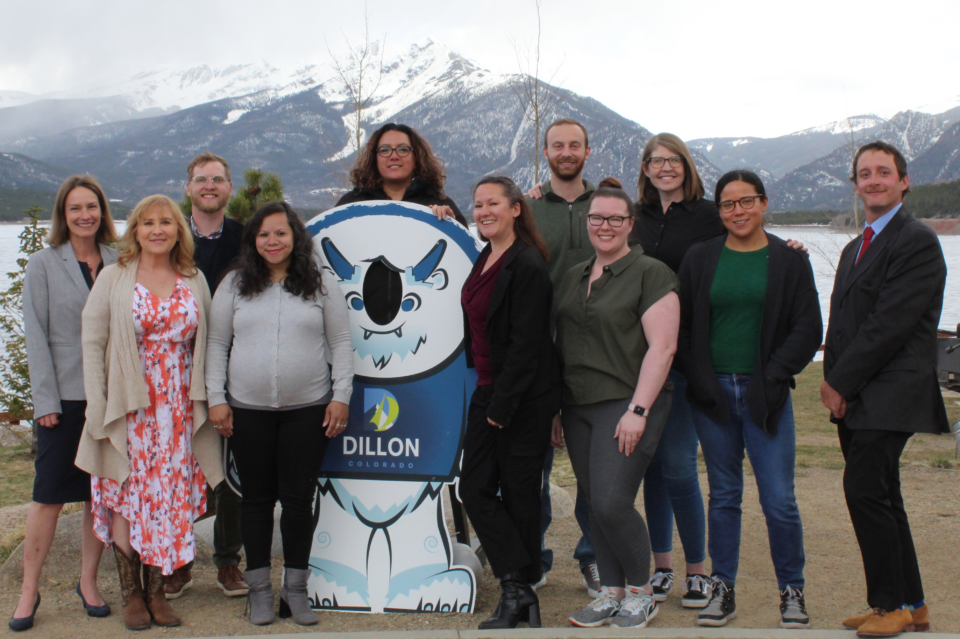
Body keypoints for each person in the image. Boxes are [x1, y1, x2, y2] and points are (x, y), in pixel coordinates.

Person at [677, 170, 822, 629]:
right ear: (718, 211)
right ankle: (722, 588)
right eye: (727, 204)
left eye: (746, 201)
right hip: (713, 394)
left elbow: (807, 329)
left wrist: (774, 376)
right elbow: (683, 327)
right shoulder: (700, 259)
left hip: (767, 395)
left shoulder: (789, 260)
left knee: (779, 499)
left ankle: (792, 590)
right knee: (723, 495)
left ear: (763, 203)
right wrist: (701, 381)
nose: (737, 211)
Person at [76, 194, 225, 630]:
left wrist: (211, 397)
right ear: (135, 231)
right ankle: (131, 596)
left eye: (166, 222)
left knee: (169, 496)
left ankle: (158, 591)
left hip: (179, 406)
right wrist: (97, 406)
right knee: (129, 493)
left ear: (178, 230)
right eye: (147, 223)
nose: (157, 229)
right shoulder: (114, 277)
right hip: (130, 405)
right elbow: (92, 343)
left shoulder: (193, 277)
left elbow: (209, 340)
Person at [205, 201, 354, 626]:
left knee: (297, 502)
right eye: (264, 234)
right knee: (254, 501)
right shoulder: (234, 284)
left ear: (295, 238)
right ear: (253, 239)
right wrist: (216, 397)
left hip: (307, 410)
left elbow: (341, 342)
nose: (273, 241)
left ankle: (295, 590)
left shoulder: (320, 282)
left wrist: (341, 395)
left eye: (281, 233)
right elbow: (217, 344)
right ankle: (259, 592)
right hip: (246, 411)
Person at [822, 142, 946, 637]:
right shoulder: (857, 246)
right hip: (858, 395)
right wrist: (836, 379)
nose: (872, 180)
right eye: (864, 173)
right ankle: (912, 604)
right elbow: (844, 322)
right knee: (884, 495)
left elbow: (888, 326)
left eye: (883, 172)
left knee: (863, 490)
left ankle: (888, 604)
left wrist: (837, 382)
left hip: (892, 391)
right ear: (856, 184)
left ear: (904, 181)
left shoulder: (915, 240)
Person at [555, 186, 679, 629]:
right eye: (596, 219)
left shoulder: (650, 273)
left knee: (611, 502)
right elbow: (561, 343)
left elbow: (662, 349)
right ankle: (611, 591)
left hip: (627, 403)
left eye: (614, 219)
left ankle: (642, 592)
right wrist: (555, 408)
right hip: (577, 404)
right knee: (591, 502)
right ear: (587, 222)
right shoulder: (574, 274)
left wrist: (639, 410)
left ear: (630, 224)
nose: (604, 227)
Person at [11, 176, 119, 632]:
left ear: (102, 211)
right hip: (64, 399)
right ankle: (28, 590)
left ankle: (88, 583)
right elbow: (36, 335)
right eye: (75, 208)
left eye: (91, 206)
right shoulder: (42, 264)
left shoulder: (120, 260)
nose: (84, 216)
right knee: (47, 498)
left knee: (100, 498)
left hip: (111, 399)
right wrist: (44, 401)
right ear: (63, 214)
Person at [459, 176, 561, 630]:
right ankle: (521, 588)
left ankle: (518, 592)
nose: (484, 211)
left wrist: (502, 406)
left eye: (493, 203)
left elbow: (528, 345)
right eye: (478, 205)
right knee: (475, 487)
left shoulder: (526, 264)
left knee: (519, 494)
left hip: (520, 398)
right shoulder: (488, 255)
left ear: (516, 208)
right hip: (490, 389)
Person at [629, 133, 723, 608]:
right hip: (639, 359)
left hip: (685, 358)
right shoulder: (635, 217)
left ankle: (698, 572)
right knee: (652, 467)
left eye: (673, 160)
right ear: (645, 169)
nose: (664, 168)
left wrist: (787, 247)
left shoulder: (708, 216)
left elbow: (745, 243)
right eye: (655, 161)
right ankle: (662, 567)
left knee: (681, 465)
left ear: (685, 166)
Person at [522, 117, 600, 596]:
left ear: (587, 152)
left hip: (599, 353)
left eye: (574, 145)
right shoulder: (529, 208)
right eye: (557, 145)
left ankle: (594, 557)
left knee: (595, 469)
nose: (565, 152)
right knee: (534, 469)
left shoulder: (609, 204)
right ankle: (535, 556)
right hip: (540, 352)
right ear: (545, 152)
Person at [168, 151, 248, 601]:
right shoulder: (170, 234)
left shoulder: (245, 236)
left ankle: (228, 562)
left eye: (218, 179)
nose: (209, 186)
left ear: (229, 187)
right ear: (189, 188)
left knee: (232, 466)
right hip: (177, 367)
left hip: (237, 362)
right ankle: (177, 564)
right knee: (180, 465)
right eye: (201, 180)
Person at [336, 122, 467, 225]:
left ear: (416, 157)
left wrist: (451, 225)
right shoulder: (351, 203)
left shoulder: (440, 205)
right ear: (374, 158)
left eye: (403, 149)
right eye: (385, 150)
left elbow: (461, 254)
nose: (394, 156)